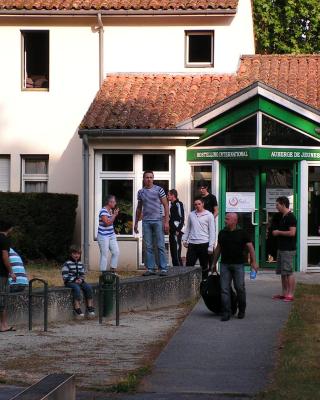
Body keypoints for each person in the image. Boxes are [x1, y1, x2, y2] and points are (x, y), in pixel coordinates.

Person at [213, 213, 258, 321]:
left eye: (227, 219)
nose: (225, 220)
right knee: (224, 289)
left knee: (240, 288)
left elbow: (250, 247)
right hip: (225, 264)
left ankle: (241, 309)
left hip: (238, 264)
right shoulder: (222, 233)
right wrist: (213, 263)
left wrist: (254, 262)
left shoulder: (242, 233)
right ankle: (226, 312)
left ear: (234, 221)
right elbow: (218, 248)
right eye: (225, 218)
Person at [134, 170, 169, 276]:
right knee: (148, 246)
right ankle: (150, 268)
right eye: (147, 177)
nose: (149, 179)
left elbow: (166, 206)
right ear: (144, 179)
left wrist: (166, 221)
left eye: (151, 177)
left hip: (158, 220)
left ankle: (163, 268)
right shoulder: (141, 192)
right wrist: (136, 223)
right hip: (146, 222)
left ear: (153, 178)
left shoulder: (159, 190)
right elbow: (139, 208)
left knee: (160, 245)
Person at [182, 197, 216, 280]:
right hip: (192, 244)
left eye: (199, 204)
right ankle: (188, 282)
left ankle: (204, 283)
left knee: (204, 266)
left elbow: (212, 231)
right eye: (195, 204)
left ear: (203, 204)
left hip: (204, 243)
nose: (197, 206)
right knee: (189, 265)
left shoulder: (209, 215)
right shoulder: (191, 214)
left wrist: (211, 246)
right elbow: (188, 228)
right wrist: (184, 239)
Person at [272, 196, 296, 302]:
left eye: (277, 204)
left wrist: (278, 232)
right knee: (283, 272)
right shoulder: (282, 216)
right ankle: (284, 293)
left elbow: (292, 233)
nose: (276, 207)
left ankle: (290, 294)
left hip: (288, 249)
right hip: (281, 248)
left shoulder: (291, 217)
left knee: (288, 272)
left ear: (283, 204)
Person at [62, 245, 95, 318]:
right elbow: (65, 276)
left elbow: (82, 274)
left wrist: (81, 279)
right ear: (71, 254)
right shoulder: (67, 264)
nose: (76, 255)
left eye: (78, 254)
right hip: (70, 282)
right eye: (74, 253)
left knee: (88, 287)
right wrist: (74, 280)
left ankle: (90, 306)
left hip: (79, 281)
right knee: (77, 289)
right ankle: (77, 307)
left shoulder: (80, 264)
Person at [198, 180, 218, 272]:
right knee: (202, 244)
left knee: (210, 245)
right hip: (200, 225)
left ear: (206, 188)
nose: (201, 190)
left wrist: (210, 219)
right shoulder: (198, 198)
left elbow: (216, 211)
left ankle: (212, 267)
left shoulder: (212, 197)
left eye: (202, 188)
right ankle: (204, 267)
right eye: (199, 188)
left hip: (209, 224)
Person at [0, 219, 16, 332]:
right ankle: (3, 325)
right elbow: (5, 257)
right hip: (1, 274)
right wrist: (11, 271)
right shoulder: (4, 240)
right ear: (9, 228)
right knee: (2, 298)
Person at [97, 195, 120, 274]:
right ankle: (103, 274)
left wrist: (113, 214)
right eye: (114, 201)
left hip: (111, 235)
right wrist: (114, 215)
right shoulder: (103, 211)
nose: (115, 203)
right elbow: (107, 223)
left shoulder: (110, 210)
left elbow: (110, 223)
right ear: (109, 202)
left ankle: (112, 271)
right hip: (103, 236)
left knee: (116, 252)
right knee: (104, 254)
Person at [167, 189, 184, 267]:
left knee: (177, 252)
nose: (167, 196)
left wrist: (178, 229)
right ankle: (175, 269)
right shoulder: (171, 204)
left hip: (176, 231)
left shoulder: (178, 204)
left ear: (173, 195)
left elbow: (182, 217)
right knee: (173, 252)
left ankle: (179, 270)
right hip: (172, 231)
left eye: (169, 195)